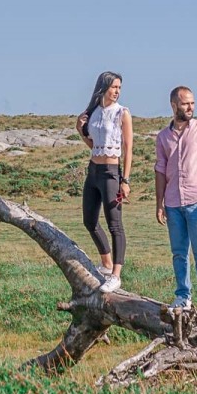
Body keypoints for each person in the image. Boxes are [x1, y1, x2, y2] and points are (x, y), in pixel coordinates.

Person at [154, 85, 197, 310]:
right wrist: (159, 204)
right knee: (179, 253)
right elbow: (160, 170)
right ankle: (183, 297)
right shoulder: (163, 137)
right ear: (174, 106)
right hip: (173, 203)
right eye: (185, 103)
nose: (190, 107)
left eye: (192, 102)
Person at [75, 71, 134, 293]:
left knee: (114, 223)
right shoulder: (93, 113)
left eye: (119, 87)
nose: (117, 91)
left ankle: (116, 275)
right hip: (93, 170)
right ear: (103, 88)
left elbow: (128, 149)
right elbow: (94, 145)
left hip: (112, 171)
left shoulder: (122, 113)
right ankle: (106, 263)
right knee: (89, 221)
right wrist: (80, 131)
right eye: (114, 87)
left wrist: (125, 180)